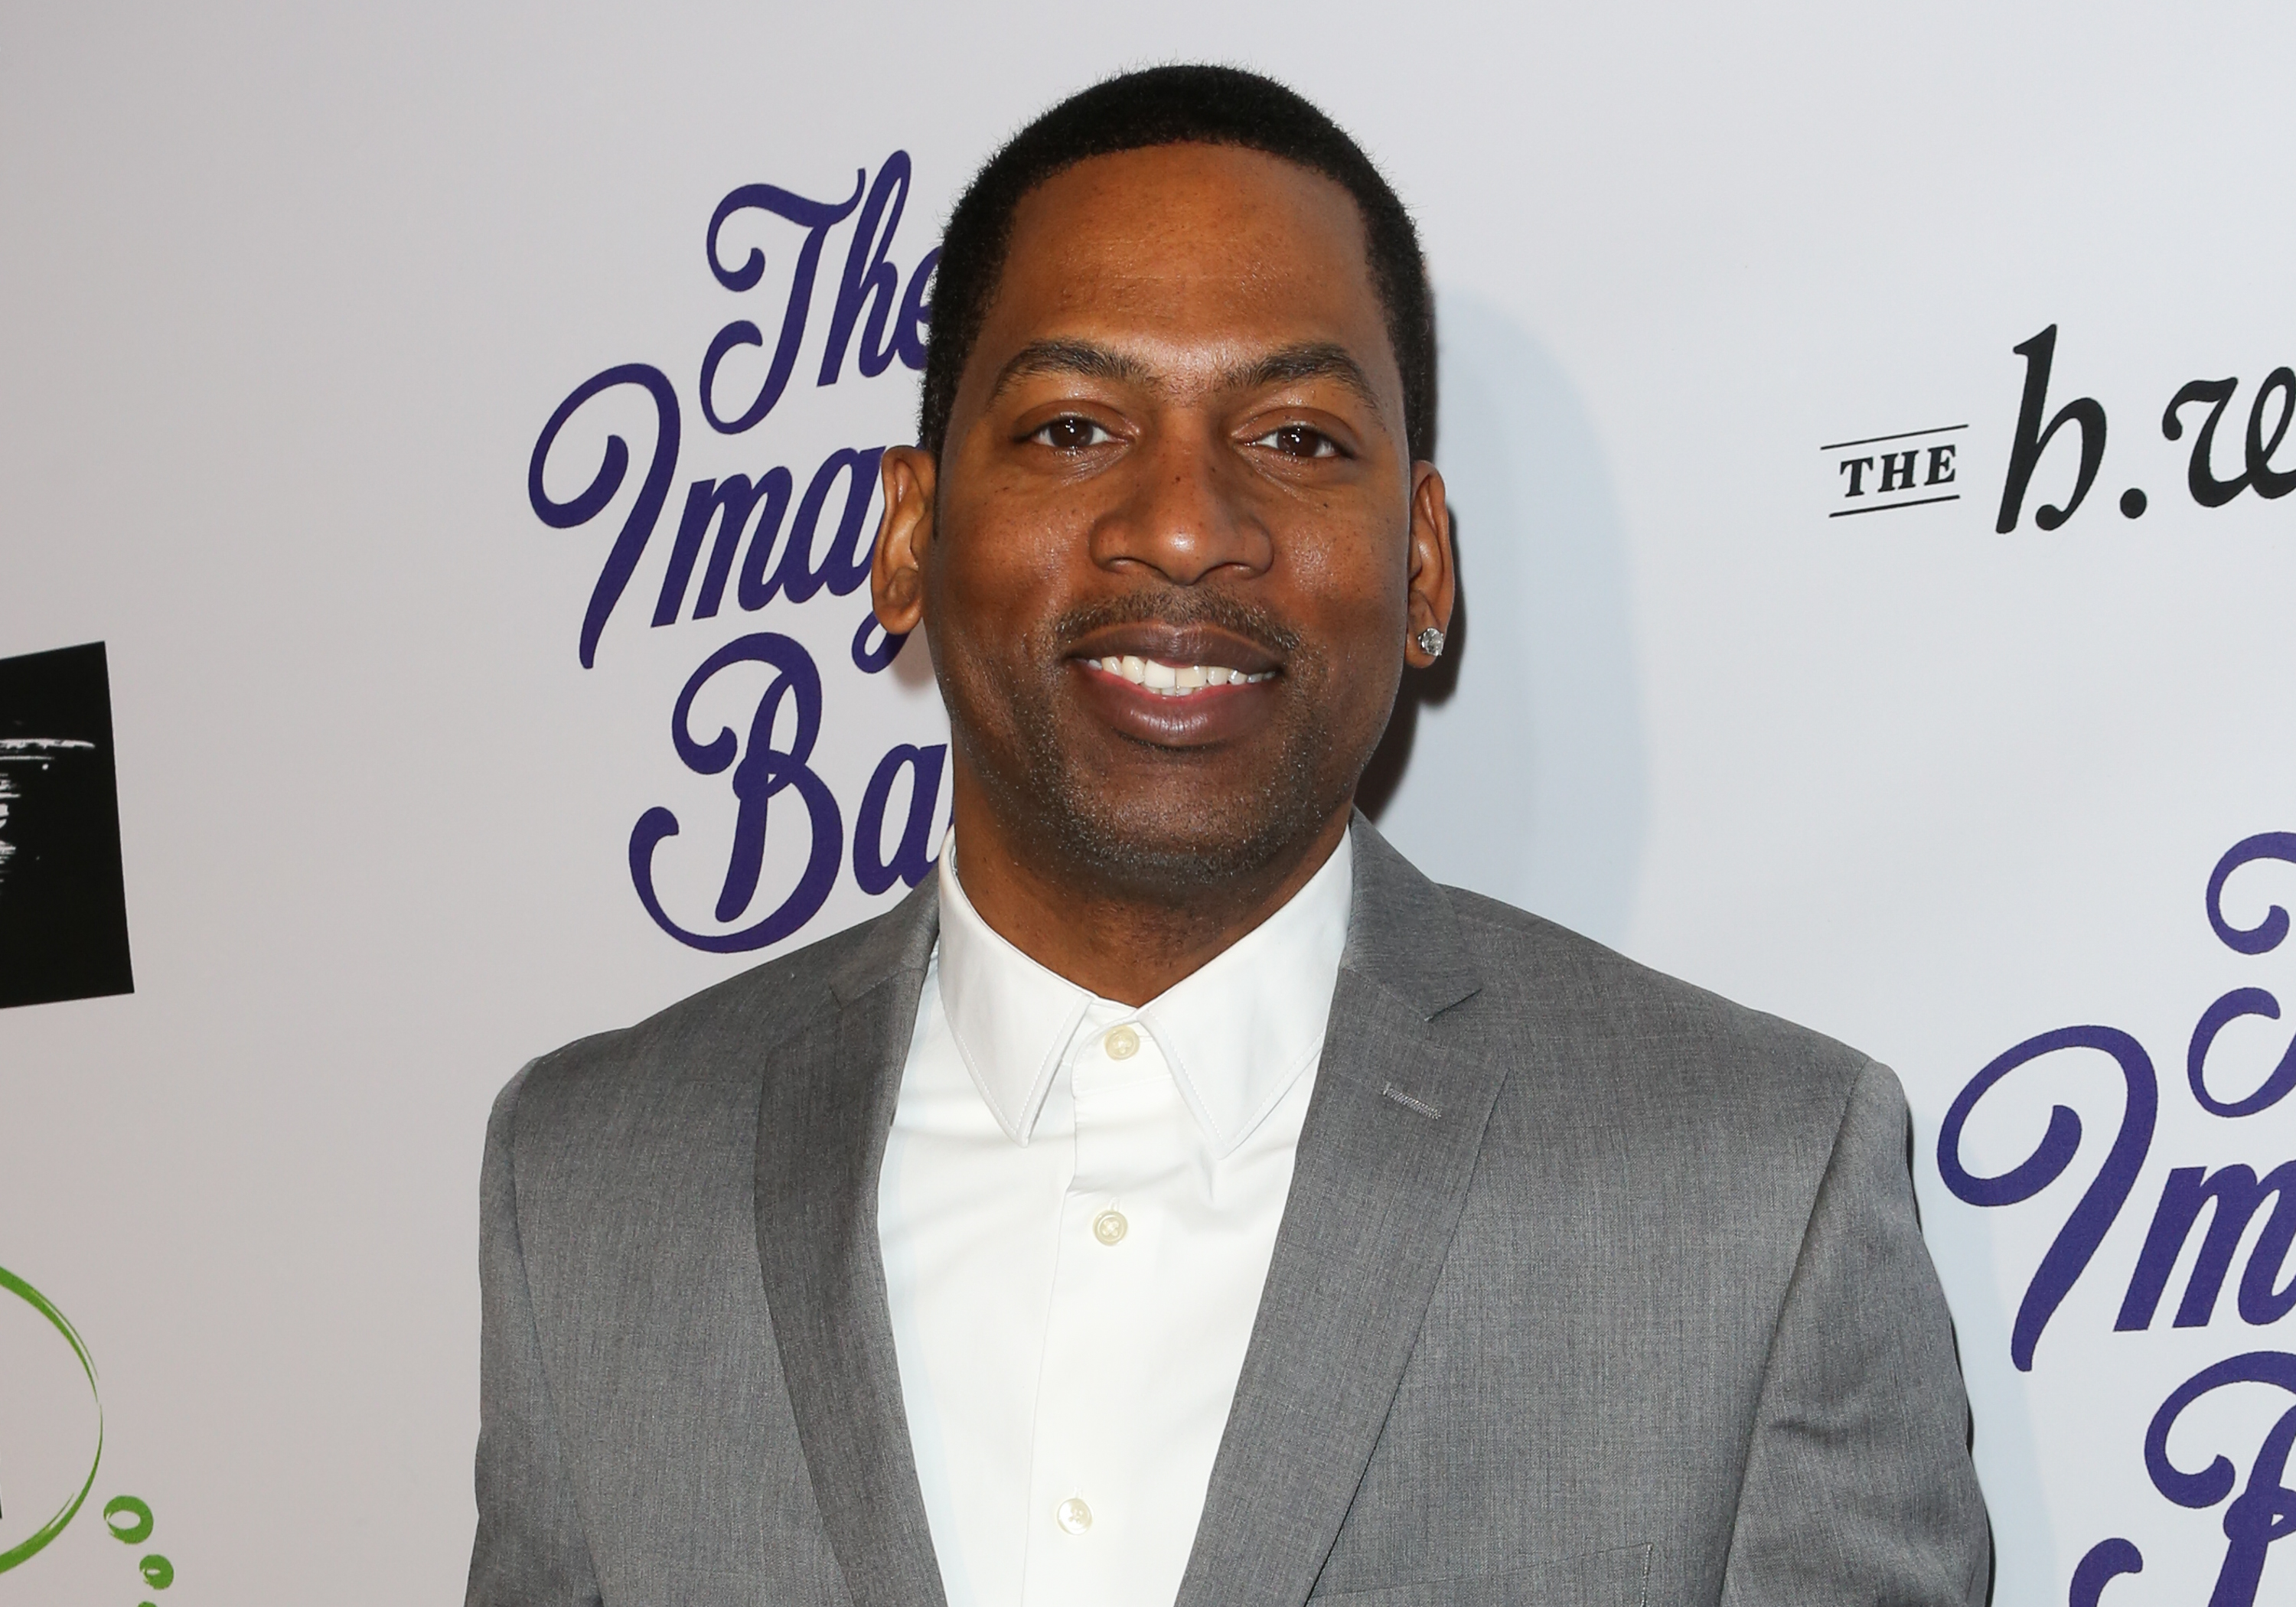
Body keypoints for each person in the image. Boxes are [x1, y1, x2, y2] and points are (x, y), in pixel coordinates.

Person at [467, 65, 1991, 1607]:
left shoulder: (1758, 1189)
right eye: (1074, 427)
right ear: (910, 535)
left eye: (1298, 439)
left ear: (1424, 562)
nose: (1186, 527)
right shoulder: (592, 1180)